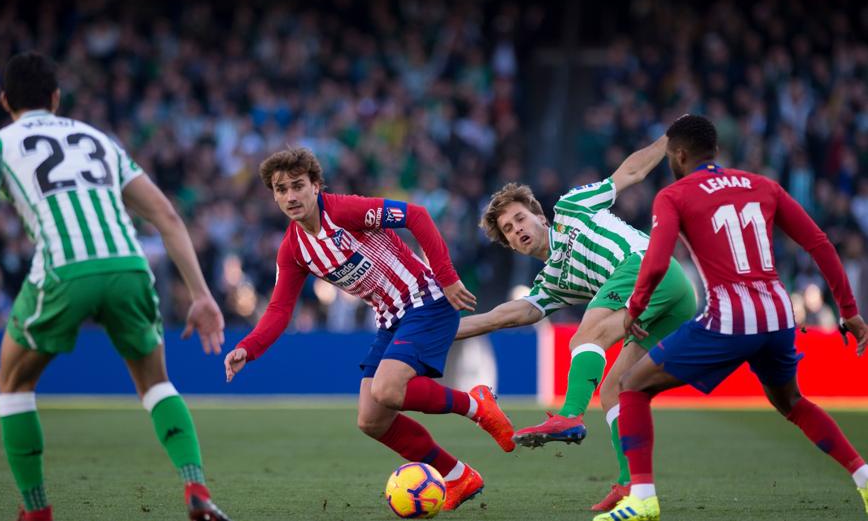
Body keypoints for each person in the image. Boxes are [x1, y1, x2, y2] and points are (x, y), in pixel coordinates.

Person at [0, 52, 232, 521]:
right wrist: (201, 294)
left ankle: (36, 511)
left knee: (12, 383)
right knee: (155, 384)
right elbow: (166, 215)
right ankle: (195, 485)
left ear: (4, 100)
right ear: (56, 98)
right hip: (130, 266)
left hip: (63, 269)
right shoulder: (98, 139)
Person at [597, 115, 868, 521]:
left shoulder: (674, 195)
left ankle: (643, 498)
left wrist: (634, 309)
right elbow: (820, 243)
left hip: (729, 317)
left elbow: (655, 263)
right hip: (778, 315)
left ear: (678, 154)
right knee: (792, 402)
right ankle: (864, 476)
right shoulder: (764, 185)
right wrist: (850, 312)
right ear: (717, 152)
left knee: (630, 386)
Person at [223, 146, 514, 511]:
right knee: (371, 420)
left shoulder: (344, 211)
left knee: (388, 388)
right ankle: (457, 476)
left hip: (426, 300)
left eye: (298, 186)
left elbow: (418, 215)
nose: (290, 196)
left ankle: (477, 404)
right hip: (390, 318)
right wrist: (248, 348)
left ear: (316, 185)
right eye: (281, 190)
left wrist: (448, 277)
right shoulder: (294, 249)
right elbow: (280, 309)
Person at [456, 134, 697, 511]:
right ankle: (631, 486)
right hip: (670, 302)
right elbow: (504, 315)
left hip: (649, 266)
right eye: (507, 229)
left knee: (586, 336)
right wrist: (447, 331)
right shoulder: (549, 283)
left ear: (539, 215)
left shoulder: (571, 207)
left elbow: (630, 172)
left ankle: (569, 416)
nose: (517, 229)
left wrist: (670, 138)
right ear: (510, 244)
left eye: (520, 218)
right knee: (617, 389)